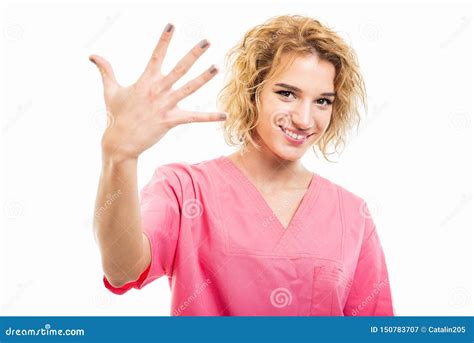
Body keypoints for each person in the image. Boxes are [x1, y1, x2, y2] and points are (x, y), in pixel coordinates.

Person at [91, 15, 395, 316]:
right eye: (287, 94)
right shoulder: (185, 189)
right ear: (253, 92)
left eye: (323, 101)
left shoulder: (351, 214)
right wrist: (120, 158)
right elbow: (122, 270)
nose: (304, 119)